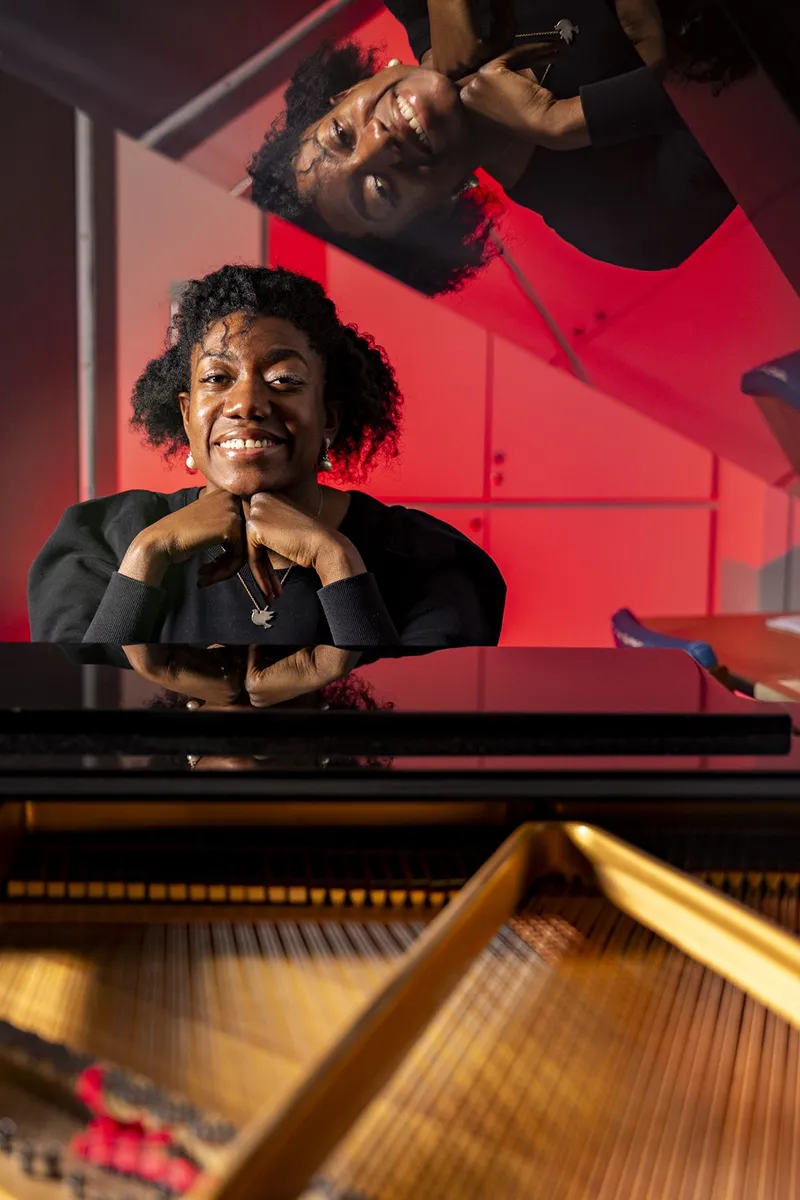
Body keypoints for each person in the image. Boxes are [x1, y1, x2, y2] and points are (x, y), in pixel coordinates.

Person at [29, 265, 506, 648]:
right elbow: (66, 734)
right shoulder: (99, 542)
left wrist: (334, 560)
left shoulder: (428, 559)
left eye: (285, 380)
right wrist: (146, 557)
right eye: (217, 378)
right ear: (187, 415)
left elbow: (422, 741)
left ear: (329, 418)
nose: (246, 404)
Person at [248, 0, 754, 294]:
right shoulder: (624, 221)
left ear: (344, 95)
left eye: (342, 134)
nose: (380, 143)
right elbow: (761, 94)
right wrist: (570, 121)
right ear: (434, 215)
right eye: (379, 189)